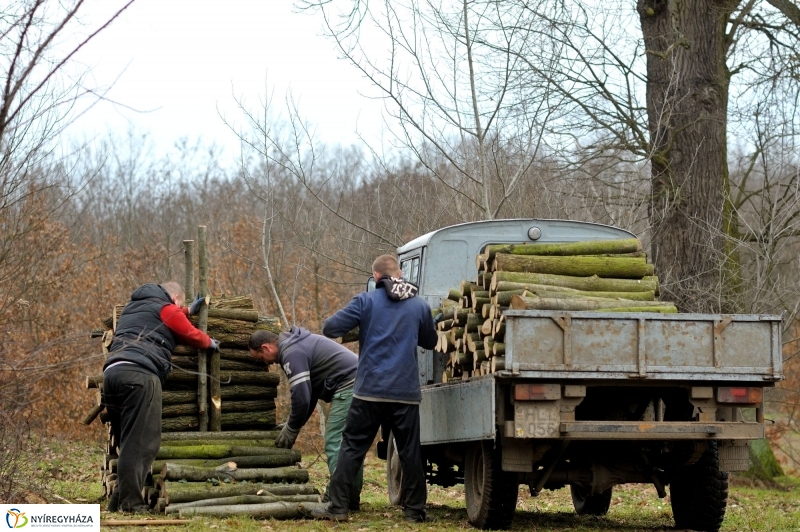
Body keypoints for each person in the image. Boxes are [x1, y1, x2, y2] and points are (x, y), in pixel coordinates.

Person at [313, 254, 438, 523]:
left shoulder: (365, 301)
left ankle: (337, 508)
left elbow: (330, 327)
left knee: (352, 448)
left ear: (377, 277)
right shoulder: (419, 306)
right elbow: (430, 341)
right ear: (400, 275)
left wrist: (362, 323)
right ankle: (414, 512)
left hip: (369, 390)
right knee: (410, 451)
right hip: (405, 393)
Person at [103, 282, 218, 513]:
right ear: (175, 298)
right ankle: (131, 504)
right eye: (181, 304)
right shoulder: (166, 308)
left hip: (112, 375)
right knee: (142, 444)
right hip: (140, 376)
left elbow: (165, 316)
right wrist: (209, 342)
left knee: (128, 442)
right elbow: (190, 333)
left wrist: (186, 311)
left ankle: (118, 500)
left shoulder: (132, 308)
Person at [248, 327, 363, 509]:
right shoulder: (297, 344)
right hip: (361, 383)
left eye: (261, 358)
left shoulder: (291, 352)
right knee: (350, 444)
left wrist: (292, 429)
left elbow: (301, 397)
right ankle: (350, 498)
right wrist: (293, 424)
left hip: (350, 386)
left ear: (266, 347)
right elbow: (309, 396)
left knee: (335, 443)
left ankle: (337, 500)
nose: (266, 364)